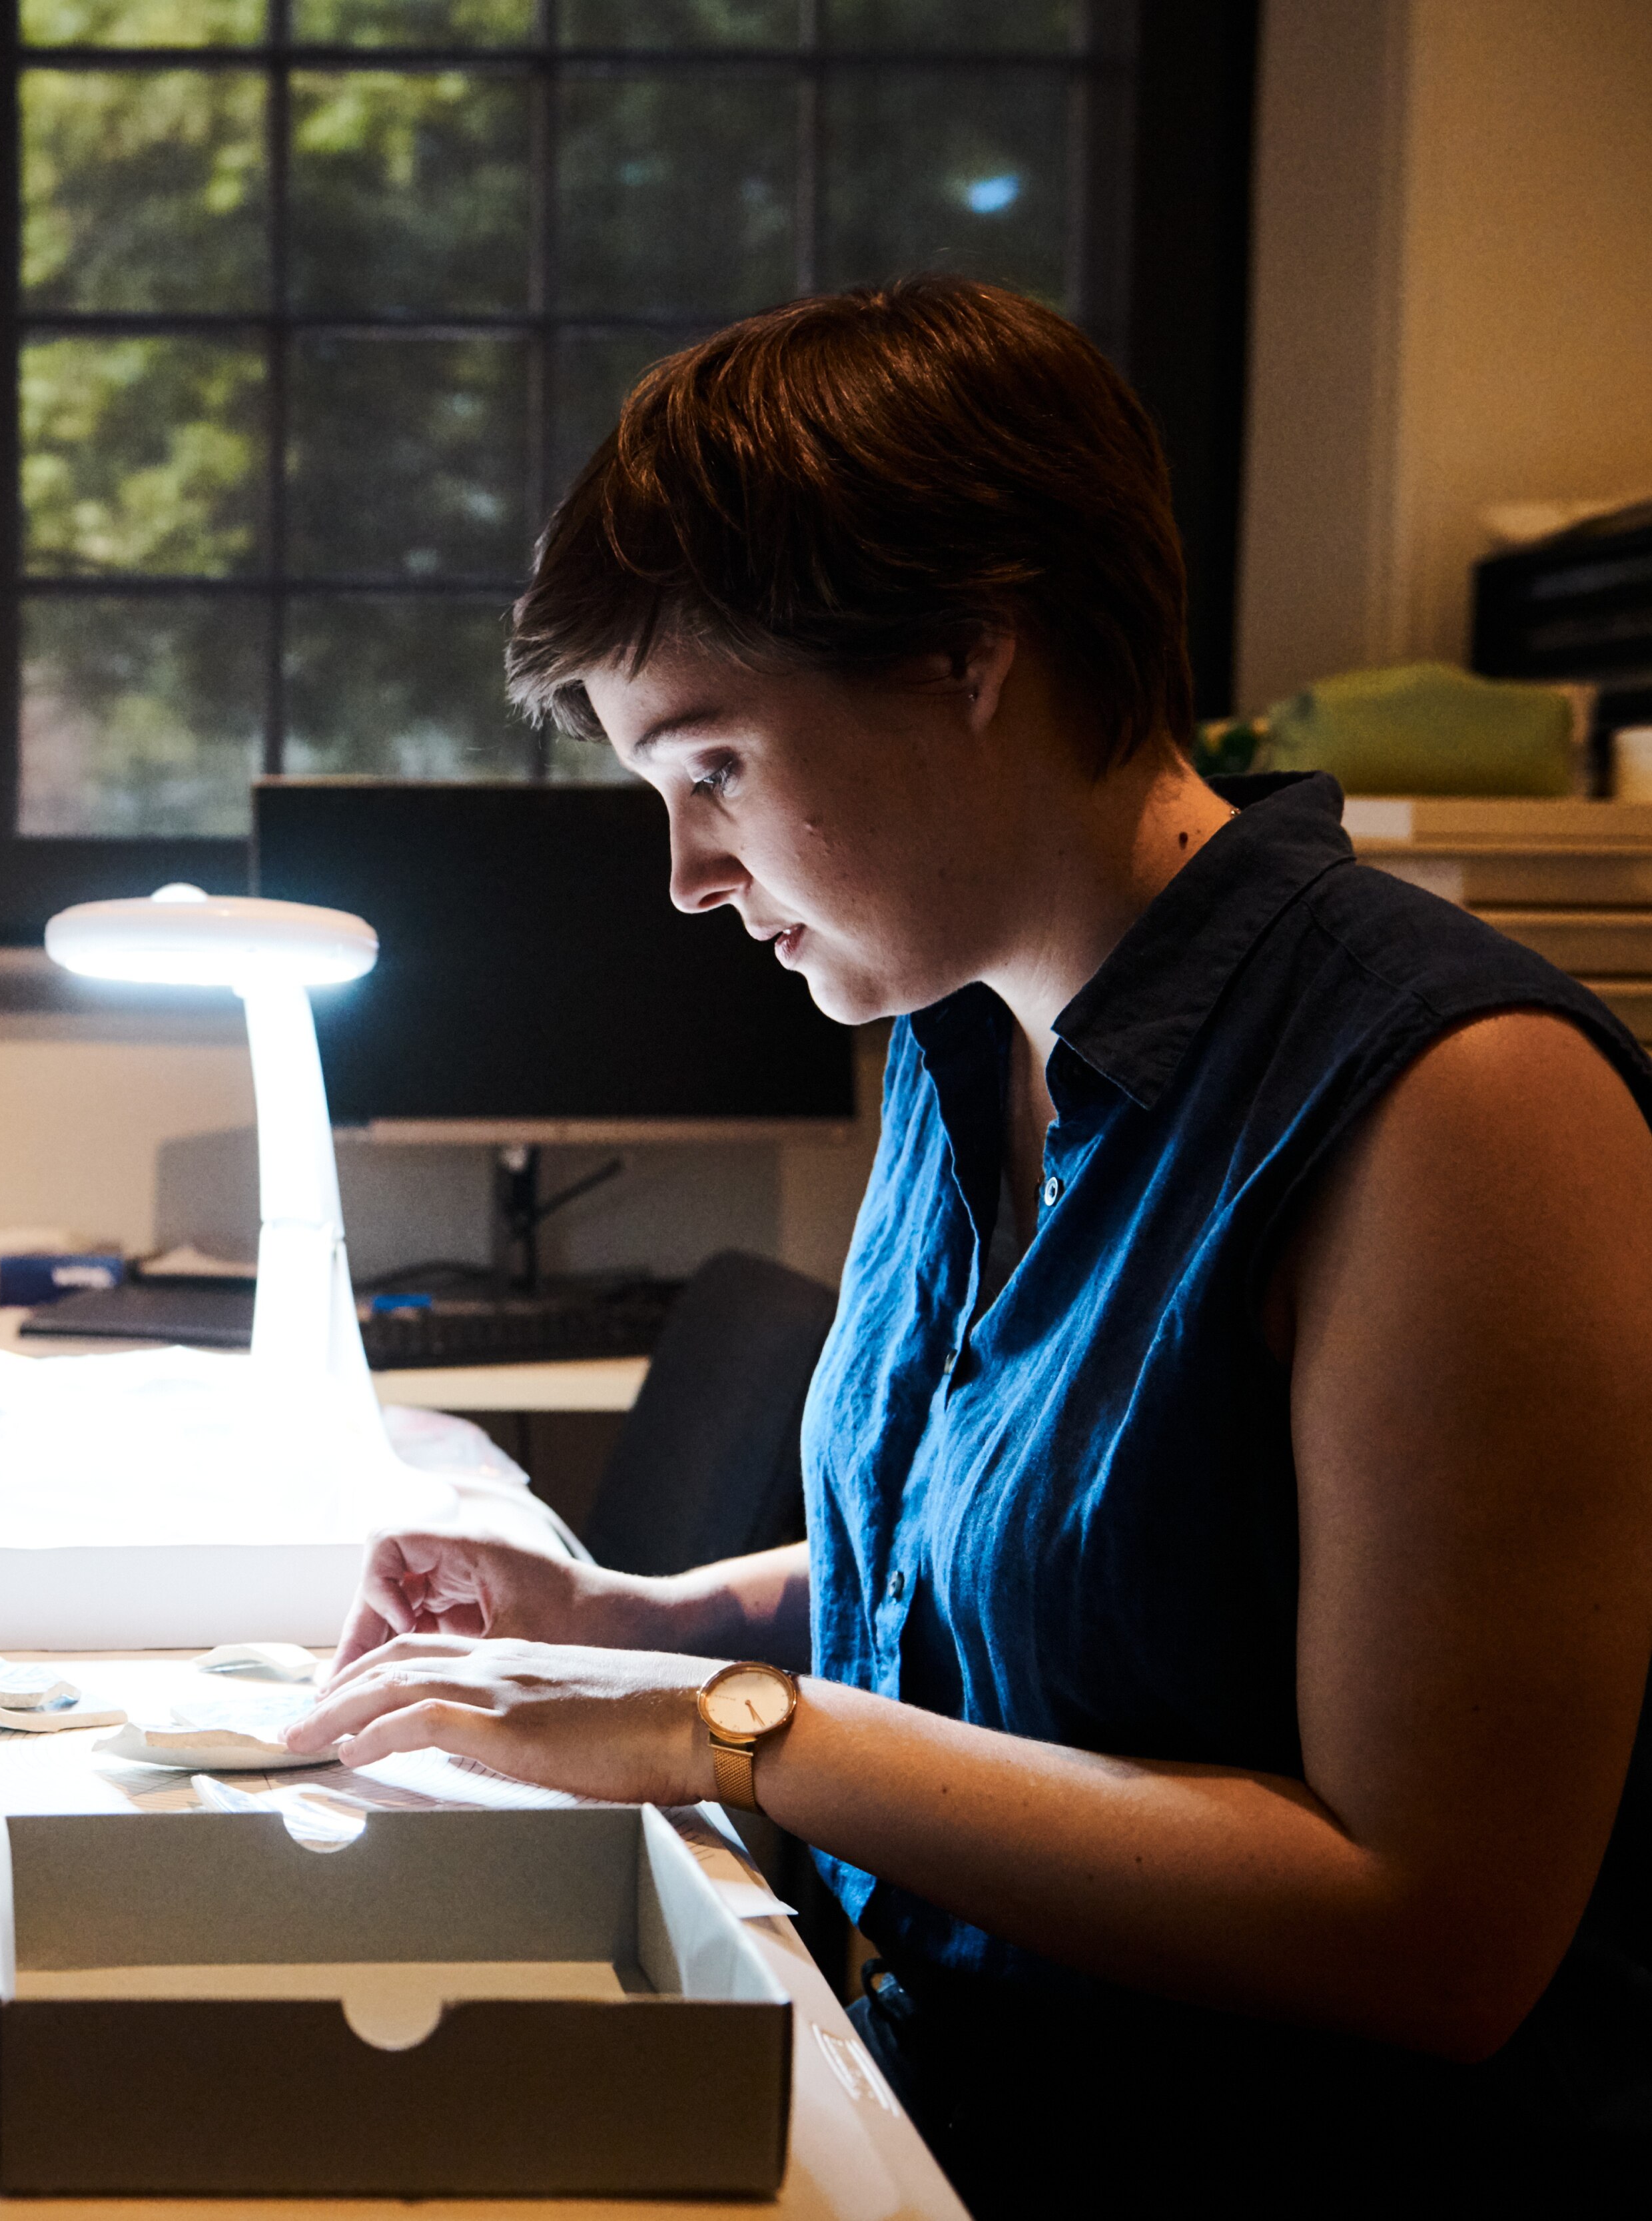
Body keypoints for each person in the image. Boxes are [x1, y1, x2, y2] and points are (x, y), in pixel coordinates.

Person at [280, 276, 1652, 2211]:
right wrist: (648, 1619)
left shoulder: (1462, 1099)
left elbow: (1429, 1934)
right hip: (932, 2109)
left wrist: (725, 1728)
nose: (686, 879)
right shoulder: (964, 1034)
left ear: (967, 654)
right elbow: (1028, 1580)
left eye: (716, 768)